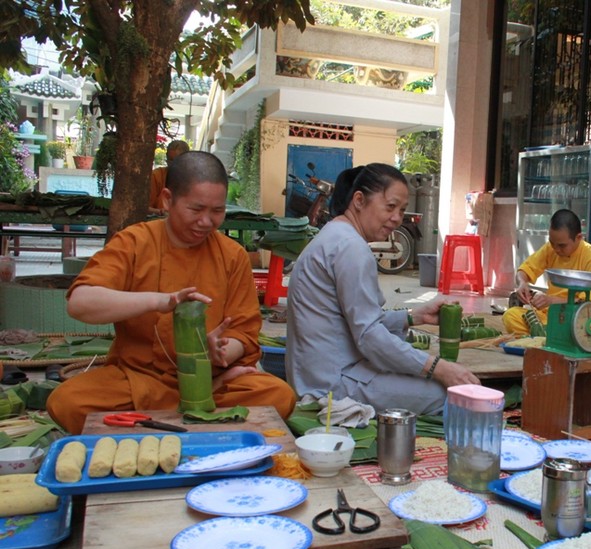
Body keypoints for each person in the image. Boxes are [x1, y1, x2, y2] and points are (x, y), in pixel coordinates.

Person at [46, 151, 296, 434]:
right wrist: (160, 300)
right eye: (196, 209)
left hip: (209, 380)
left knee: (279, 396)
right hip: (140, 380)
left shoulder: (232, 255)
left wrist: (220, 351)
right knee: (67, 402)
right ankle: (192, 416)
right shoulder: (135, 242)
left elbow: (244, 330)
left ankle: (165, 418)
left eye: (217, 211)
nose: (206, 221)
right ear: (167, 200)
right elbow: (80, 302)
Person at [285, 163, 479, 415]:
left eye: (402, 210)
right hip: (334, 384)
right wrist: (438, 368)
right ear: (359, 200)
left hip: (317, 375)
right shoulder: (351, 248)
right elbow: (369, 336)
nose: (397, 218)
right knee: (452, 395)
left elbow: (356, 321)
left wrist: (413, 317)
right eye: (390, 206)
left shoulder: (335, 235)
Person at [502, 208, 591, 335]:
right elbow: (526, 269)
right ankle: (547, 334)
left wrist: (551, 300)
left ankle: (545, 335)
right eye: (552, 243)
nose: (556, 249)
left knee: (577, 328)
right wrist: (522, 283)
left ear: (578, 237)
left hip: (581, 319)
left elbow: (587, 303)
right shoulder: (551, 248)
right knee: (510, 316)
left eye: (562, 245)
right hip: (552, 316)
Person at [149, 139, 190, 210]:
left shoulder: (194, 178)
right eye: (170, 160)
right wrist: (159, 212)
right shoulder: (156, 176)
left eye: (177, 161)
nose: (173, 164)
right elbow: (145, 208)